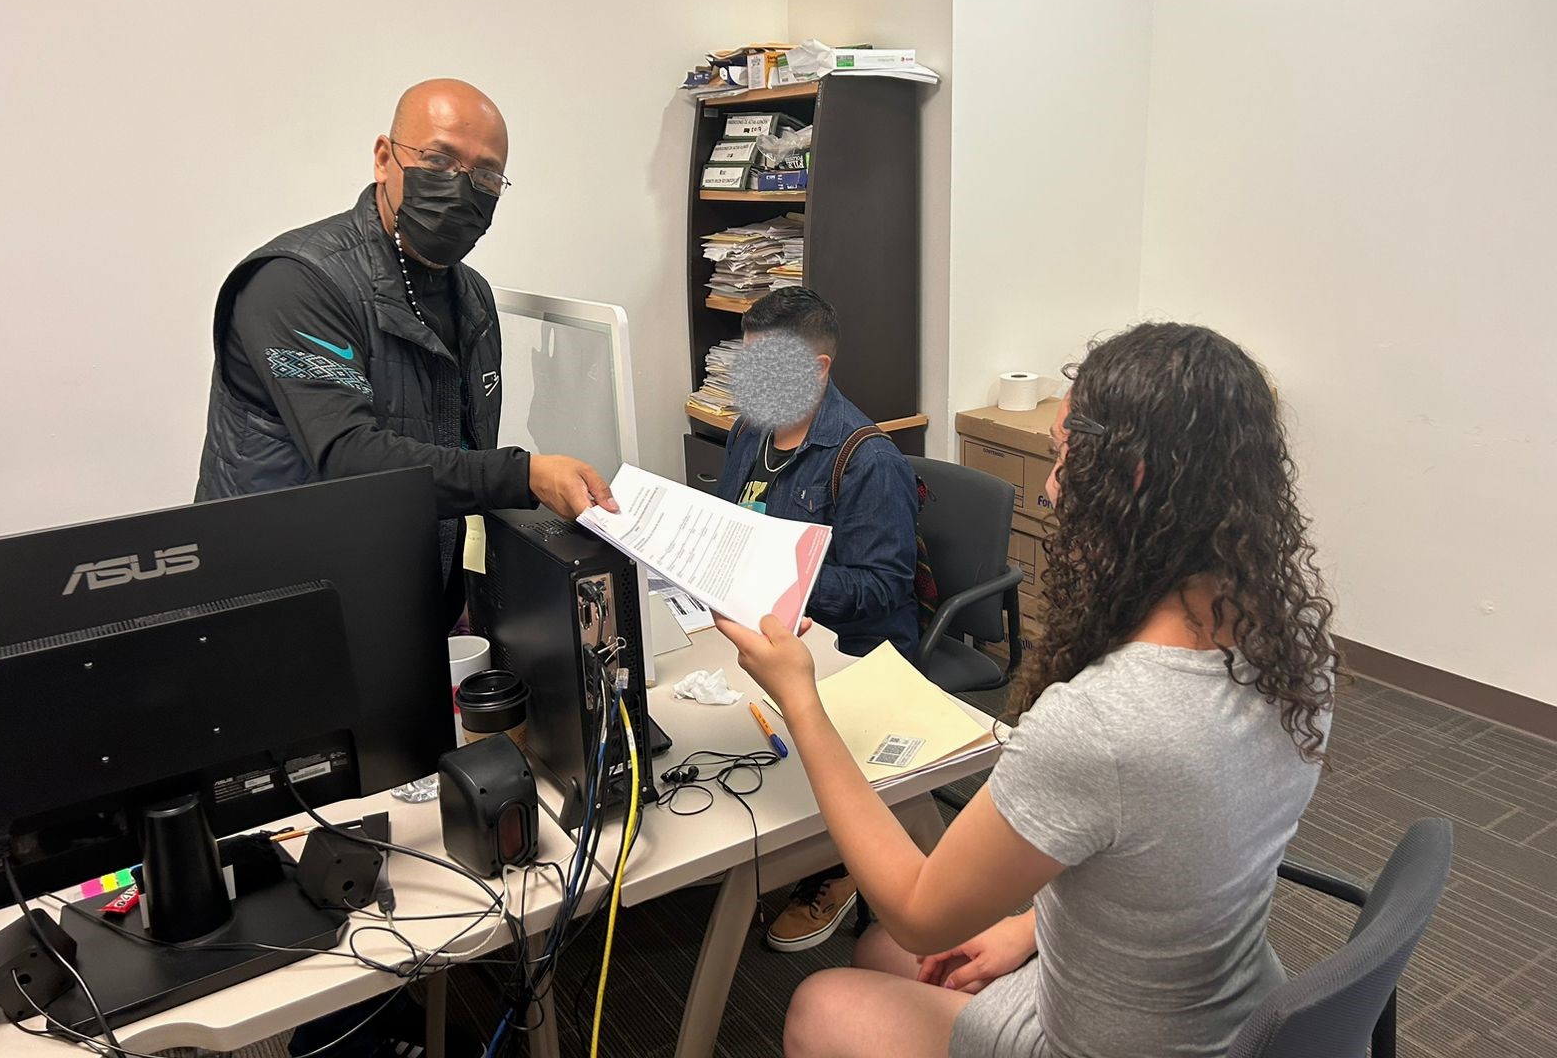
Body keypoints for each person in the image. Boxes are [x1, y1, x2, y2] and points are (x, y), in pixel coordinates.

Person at [717, 322, 1342, 1058]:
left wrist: (801, 701)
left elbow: (918, 910)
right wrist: (1029, 927)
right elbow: (1180, 852)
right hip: (1221, 1000)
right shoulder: (1293, 638)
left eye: (1061, 457)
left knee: (820, 1003)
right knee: (882, 952)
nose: (1049, 488)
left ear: (1133, 479)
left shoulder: (1104, 721)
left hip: (1115, 1043)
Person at [195, 78, 615, 623]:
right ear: (383, 158)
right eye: (438, 160)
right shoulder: (296, 282)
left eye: (486, 175)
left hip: (407, 597)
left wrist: (466, 589)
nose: (461, 188)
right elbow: (352, 459)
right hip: (286, 599)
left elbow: (461, 450)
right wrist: (524, 474)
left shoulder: (472, 298)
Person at [716, 286, 922, 953]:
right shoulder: (750, 430)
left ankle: (840, 869)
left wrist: (784, 582)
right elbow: (735, 523)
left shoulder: (867, 460)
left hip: (853, 652)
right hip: (772, 627)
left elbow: (882, 589)